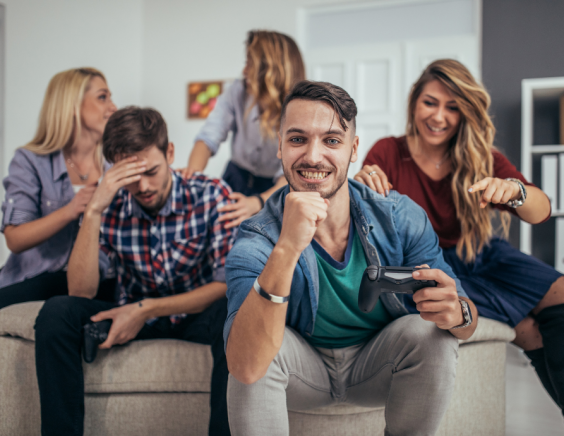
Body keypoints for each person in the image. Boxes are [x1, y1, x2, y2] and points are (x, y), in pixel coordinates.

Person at [355, 59, 564, 435]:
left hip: (480, 253)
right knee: (528, 331)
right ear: (413, 104)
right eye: (430, 102)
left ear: (466, 112)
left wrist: (516, 192)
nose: (439, 116)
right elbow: (363, 209)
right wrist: (363, 182)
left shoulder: (479, 156)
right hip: (428, 265)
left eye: (453, 107)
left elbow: (542, 210)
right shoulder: (389, 151)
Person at [224, 80, 479, 436]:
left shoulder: (399, 217)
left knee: (431, 335)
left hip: (377, 364)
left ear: (353, 148)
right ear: (279, 147)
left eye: (331, 141)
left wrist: (458, 313)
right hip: (302, 371)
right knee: (254, 338)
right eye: (297, 139)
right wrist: (286, 248)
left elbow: (467, 320)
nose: (313, 157)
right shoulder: (256, 238)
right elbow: (245, 367)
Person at [34, 107, 235, 436]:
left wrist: (146, 309)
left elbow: (224, 285)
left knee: (235, 309)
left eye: (151, 171)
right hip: (131, 316)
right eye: (128, 176)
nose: (142, 186)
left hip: (194, 314)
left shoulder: (211, 195)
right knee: (56, 312)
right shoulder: (110, 204)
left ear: (169, 153)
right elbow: (80, 292)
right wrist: (95, 208)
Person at [0, 68, 117, 309]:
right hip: (38, 277)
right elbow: (15, 238)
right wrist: (71, 209)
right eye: (102, 97)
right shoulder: (30, 161)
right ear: (72, 103)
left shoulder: (115, 165)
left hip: (100, 280)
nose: (113, 107)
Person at [181, 30, 305, 229]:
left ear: (271, 70)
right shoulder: (237, 91)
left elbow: (293, 173)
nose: (244, 71)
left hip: (276, 190)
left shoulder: (300, 108)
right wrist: (191, 177)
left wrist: (257, 202)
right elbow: (209, 136)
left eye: (250, 64)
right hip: (235, 177)